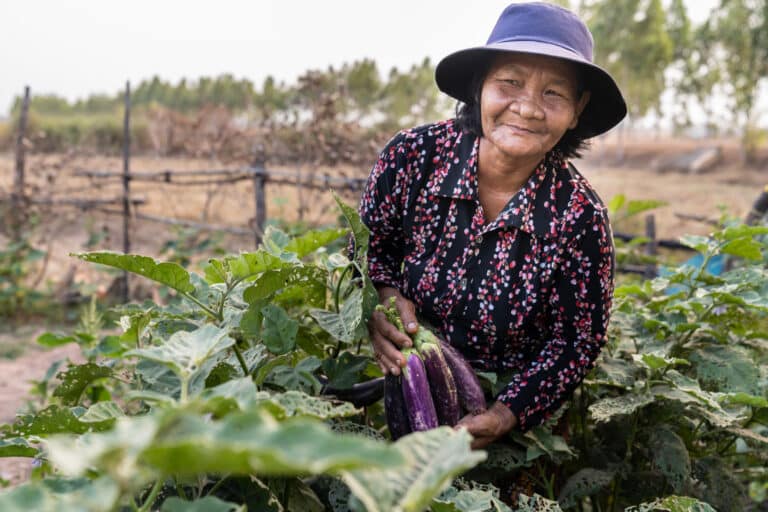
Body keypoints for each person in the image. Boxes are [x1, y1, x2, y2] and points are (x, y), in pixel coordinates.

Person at [359, 1, 627, 449]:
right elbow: (369, 250)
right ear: (480, 86)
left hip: (505, 423)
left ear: (577, 110)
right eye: (510, 82)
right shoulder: (412, 156)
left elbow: (575, 341)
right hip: (399, 388)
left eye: (554, 93)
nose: (528, 107)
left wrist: (506, 415)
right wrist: (383, 304)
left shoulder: (580, 218)